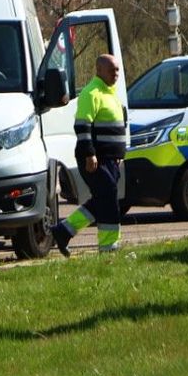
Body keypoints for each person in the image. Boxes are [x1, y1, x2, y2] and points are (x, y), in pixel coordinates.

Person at [51, 54, 127, 255]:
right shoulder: (91, 93)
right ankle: (109, 247)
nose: (116, 74)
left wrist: (120, 154)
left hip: (111, 159)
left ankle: (64, 231)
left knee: (102, 198)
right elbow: (82, 126)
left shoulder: (111, 93)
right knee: (108, 198)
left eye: (117, 70)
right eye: (112, 70)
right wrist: (89, 154)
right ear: (99, 70)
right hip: (95, 158)